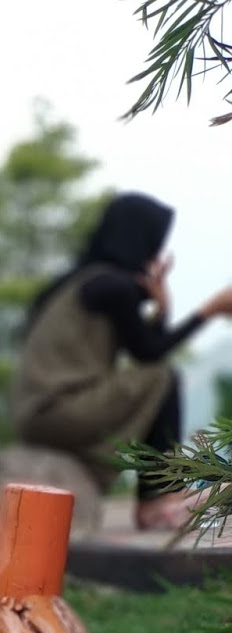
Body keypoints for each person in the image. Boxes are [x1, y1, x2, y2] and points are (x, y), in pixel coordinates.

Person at [12, 192, 232, 530]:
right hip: (61, 408)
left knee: (155, 377)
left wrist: (161, 307)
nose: (156, 255)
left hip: (39, 413)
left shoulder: (83, 282)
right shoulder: (113, 286)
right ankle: (158, 499)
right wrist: (209, 310)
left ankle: (156, 496)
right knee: (162, 377)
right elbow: (150, 354)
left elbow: (144, 348)